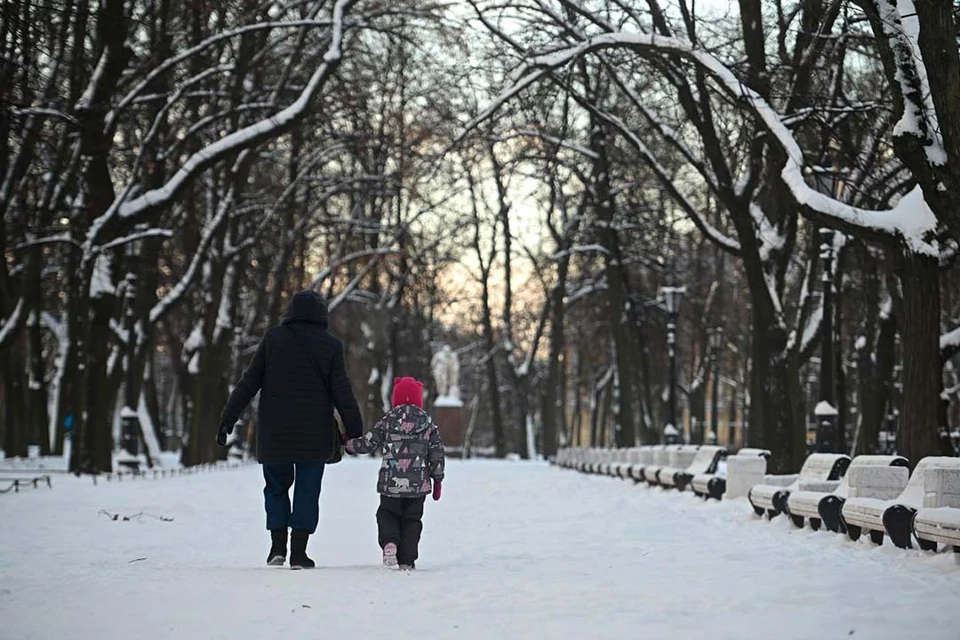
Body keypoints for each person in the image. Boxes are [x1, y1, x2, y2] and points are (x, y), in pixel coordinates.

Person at [216, 290, 363, 569]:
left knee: (275, 487)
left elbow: (250, 382)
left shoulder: (274, 339)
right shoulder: (330, 346)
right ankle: (298, 552)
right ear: (322, 315)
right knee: (307, 490)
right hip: (314, 435)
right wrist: (355, 431)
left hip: (275, 433)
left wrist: (228, 418)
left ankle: (276, 549)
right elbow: (342, 392)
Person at [345, 376, 444, 570]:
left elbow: (370, 442)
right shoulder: (427, 423)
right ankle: (407, 559)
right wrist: (437, 479)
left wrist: (351, 445)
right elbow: (436, 452)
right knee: (412, 520)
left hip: (392, 483)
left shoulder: (389, 420)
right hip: (417, 485)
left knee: (388, 513)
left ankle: (390, 543)